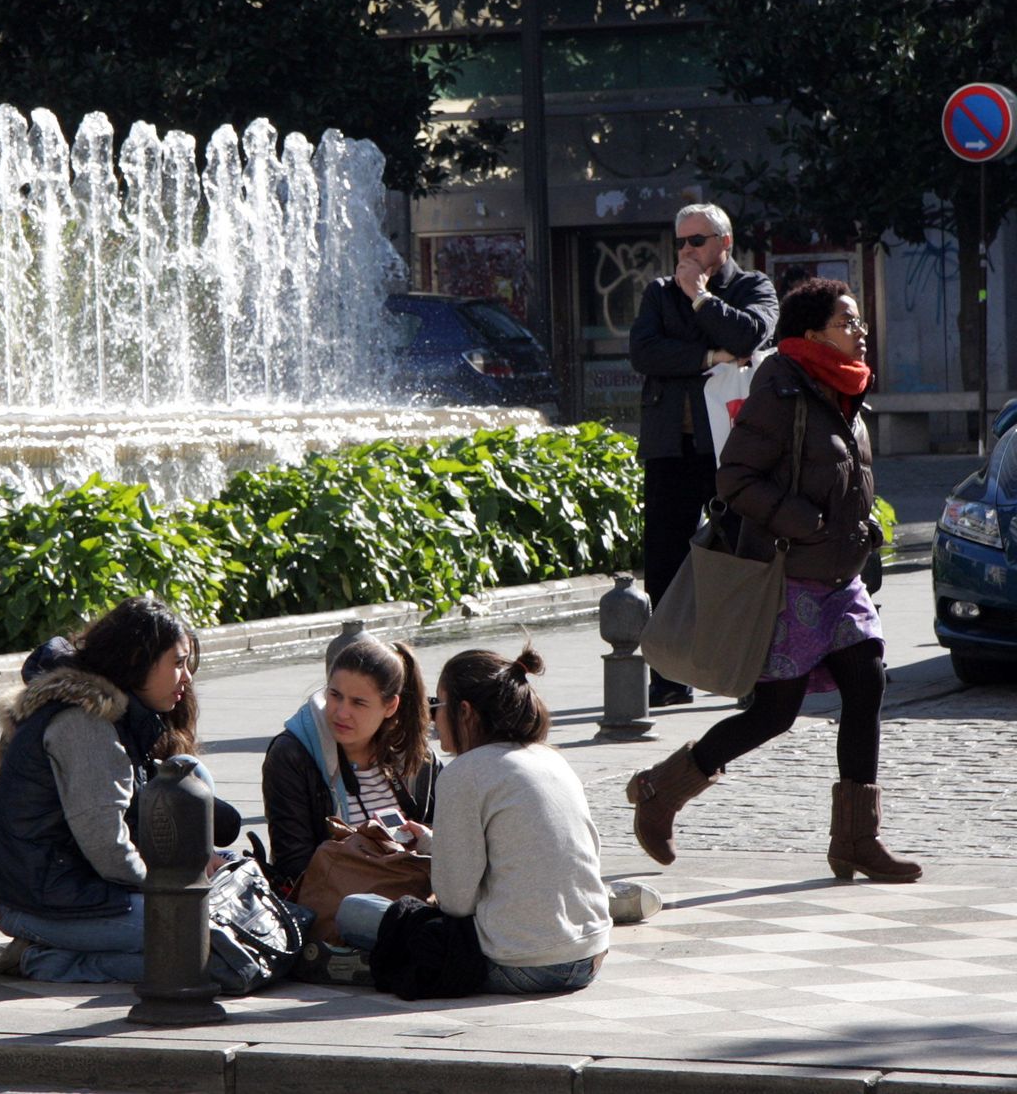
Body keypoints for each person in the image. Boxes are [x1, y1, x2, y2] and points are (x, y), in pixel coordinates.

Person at [625, 278, 921, 884]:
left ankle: (857, 841)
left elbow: (840, 474)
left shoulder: (845, 389)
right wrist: (806, 523)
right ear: (811, 334)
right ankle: (661, 791)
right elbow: (733, 479)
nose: (860, 331)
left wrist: (863, 527)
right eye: (848, 322)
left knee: (867, 683)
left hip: (839, 577)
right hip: (789, 578)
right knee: (773, 713)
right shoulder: (782, 386)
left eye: (859, 322)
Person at [332, 646, 612, 1000]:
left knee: (355, 910)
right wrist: (436, 842)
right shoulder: (551, 759)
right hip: (590, 955)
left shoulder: (464, 773)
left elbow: (455, 904)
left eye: (439, 705)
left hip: (521, 965)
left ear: (464, 712)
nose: (433, 718)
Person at [0, 596, 221, 982]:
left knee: (206, 935)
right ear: (137, 659)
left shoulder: (117, 715)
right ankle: (44, 959)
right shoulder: (86, 726)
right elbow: (108, 846)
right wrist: (171, 893)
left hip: (72, 887)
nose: (187, 678)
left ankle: (66, 947)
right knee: (194, 945)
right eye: (177, 663)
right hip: (32, 901)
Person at [631, 203, 779, 707]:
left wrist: (700, 298)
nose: (687, 251)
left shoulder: (753, 287)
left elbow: (750, 335)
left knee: (741, 561)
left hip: (734, 453)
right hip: (672, 447)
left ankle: (745, 671)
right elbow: (644, 353)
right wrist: (710, 356)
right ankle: (670, 677)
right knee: (666, 563)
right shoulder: (657, 292)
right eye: (681, 242)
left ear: (724, 242)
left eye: (697, 240)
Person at [261, 637, 441, 889]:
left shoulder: (416, 756)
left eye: (358, 702)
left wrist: (425, 841)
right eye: (335, 695)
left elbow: (451, 843)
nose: (341, 712)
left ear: (390, 706)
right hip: (335, 912)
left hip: (415, 900)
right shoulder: (292, 755)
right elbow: (294, 865)